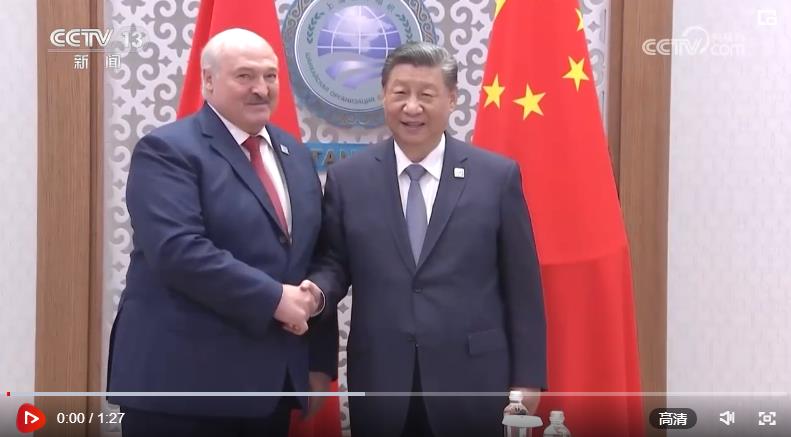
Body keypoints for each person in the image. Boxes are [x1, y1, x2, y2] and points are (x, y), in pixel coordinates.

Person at [303, 41, 547, 437]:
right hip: (382, 377)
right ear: (383, 95)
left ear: (451, 99)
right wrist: (315, 293)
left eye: (426, 95)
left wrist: (528, 378)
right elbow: (334, 262)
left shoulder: (495, 177)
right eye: (400, 93)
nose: (412, 107)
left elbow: (523, 285)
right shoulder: (350, 179)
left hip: (473, 380)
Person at [106, 28, 334, 437]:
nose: (261, 88)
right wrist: (275, 299)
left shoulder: (295, 155)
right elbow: (178, 250)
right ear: (208, 81)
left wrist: (316, 347)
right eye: (245, 76)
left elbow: (313, 253)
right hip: (182, 389)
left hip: (269, 388)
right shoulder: (168, 150)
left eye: (270, 76)